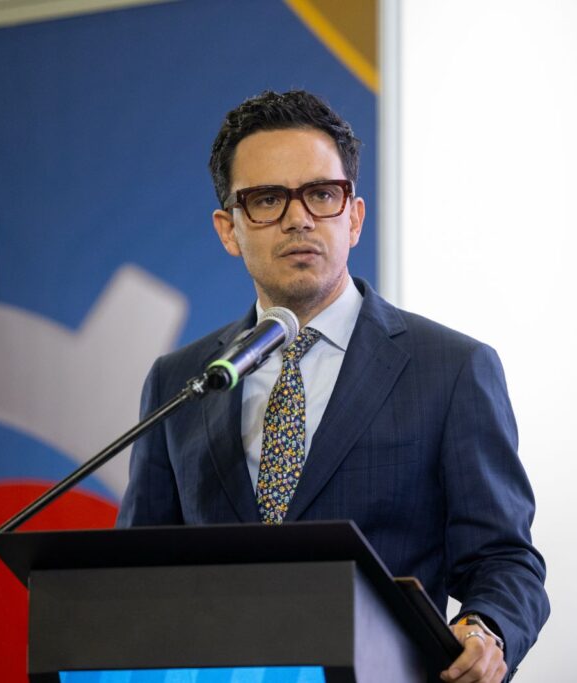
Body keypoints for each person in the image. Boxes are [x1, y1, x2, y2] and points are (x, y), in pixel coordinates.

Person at [117, 90, 548, 682]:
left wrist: (485, 627)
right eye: (267, 200)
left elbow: (504, 558)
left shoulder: (450, 369)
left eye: (322, 194)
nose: (299, 219)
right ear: (228, 229)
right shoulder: (183, 382)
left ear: (355, 217)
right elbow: (136, 574)